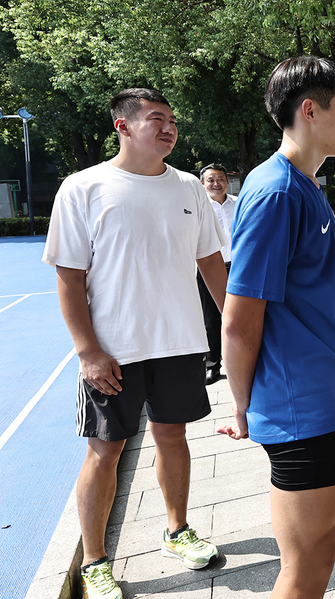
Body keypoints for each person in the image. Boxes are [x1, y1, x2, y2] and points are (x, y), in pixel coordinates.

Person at [44, 88, 226, 599]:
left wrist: (238, 326)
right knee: (105, 451)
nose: (169, 128)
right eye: (155, 119)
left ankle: (177, 530)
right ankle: (94, 561)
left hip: (179, 343)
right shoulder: (83, 188)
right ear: (122, 126)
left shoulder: (189, 187)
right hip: (114, 351)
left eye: (172, 120)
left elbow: (211, 263)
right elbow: (69, 276)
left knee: (173, 437)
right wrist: (87, 351)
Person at [216, 56, 335, 598]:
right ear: (309, 111)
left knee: (318, 555)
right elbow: (239, 320)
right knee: (304, 568)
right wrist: (241, 405)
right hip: (300, 409)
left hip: (322, 396)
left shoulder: (303, 185)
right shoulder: (276, 192)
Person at [197, 163, 236, 384]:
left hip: (238, 267)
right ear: (202, 183)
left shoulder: (239, 204)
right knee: (211, 319)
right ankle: (212, 364)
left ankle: (241, 360)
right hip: (208, 269)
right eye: (211, 180)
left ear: (227, 182)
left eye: (220, 179)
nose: (216, 184)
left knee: (241, 315)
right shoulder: (198, 208)